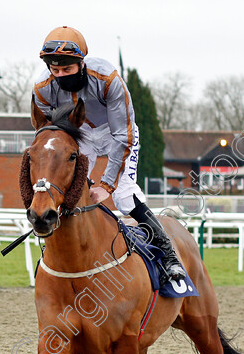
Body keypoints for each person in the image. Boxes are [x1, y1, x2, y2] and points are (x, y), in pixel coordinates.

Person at [33, 26, 186, 281]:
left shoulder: (106, 78)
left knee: (124, 193)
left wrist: (106, 184)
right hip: (80, 135)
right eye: (55, 70)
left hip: (118, 133)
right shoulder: (42, 89)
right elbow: (50, 138)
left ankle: (168, 255)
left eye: (67, 69)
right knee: (69, 187)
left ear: (81, 63)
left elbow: (122, 136)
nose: (60, 75)